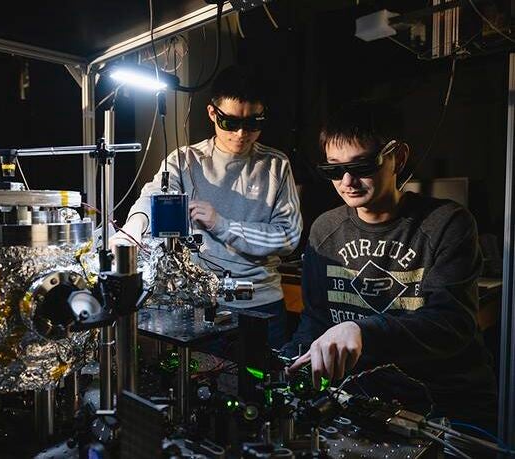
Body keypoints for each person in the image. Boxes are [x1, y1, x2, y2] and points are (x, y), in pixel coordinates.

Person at [283, 100, 496, 427]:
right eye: (334, 169)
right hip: (363, 398)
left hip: (443, 402)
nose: (347, 181)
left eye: (363, 166)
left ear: (398, 157)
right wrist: (288, 363)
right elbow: (315, 319)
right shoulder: (325, 229)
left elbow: (453, 323)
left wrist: (362, 331)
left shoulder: (447, 223)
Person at [111, 66, 303, 348]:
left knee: (264, 388)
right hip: (202, 306)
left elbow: (288, 237)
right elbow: (153, 197)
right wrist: (130, 231)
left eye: (252, 124)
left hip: (262, 306)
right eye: (230, 122)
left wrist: (222, 225)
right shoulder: (185, 160)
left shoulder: (276, 165)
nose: (241, 134)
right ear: (212, 113)